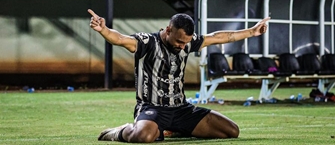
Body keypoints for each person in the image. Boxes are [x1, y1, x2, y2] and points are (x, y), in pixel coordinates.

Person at [88, 10, 270, 142]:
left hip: (181, 109)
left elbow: (218, 37)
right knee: (143, 137)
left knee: (231, 131)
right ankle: (121, 131)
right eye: (179, 41)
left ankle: (174, 130)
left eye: (187, 42)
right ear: (168, 30)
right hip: (153, 108)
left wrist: (252, 32)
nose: (183, 46)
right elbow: (120, 39)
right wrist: (104, 30)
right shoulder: (147, 42)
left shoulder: (187, 43)